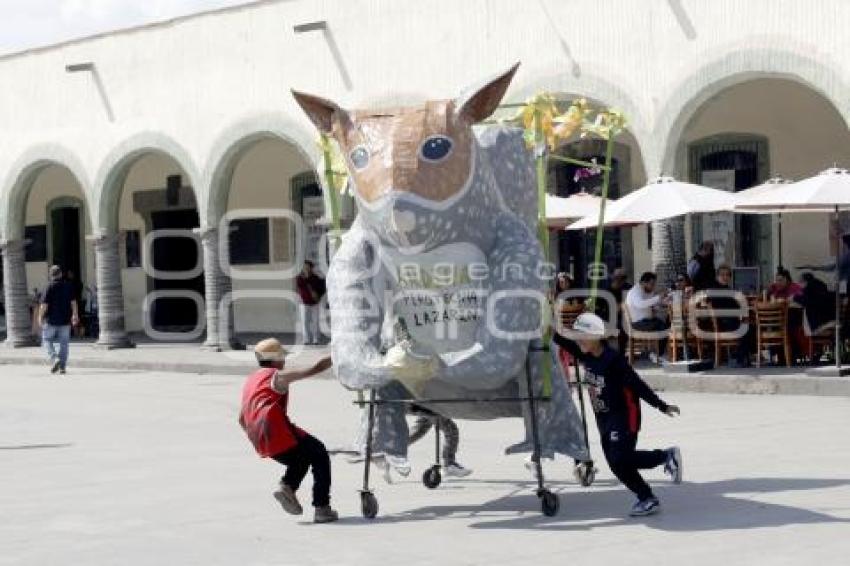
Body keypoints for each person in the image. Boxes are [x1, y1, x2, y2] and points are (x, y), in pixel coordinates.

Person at [553, 312, 682, 517]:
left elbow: (637, 384)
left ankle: (649, 492)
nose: (578, 340)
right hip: (603, 417)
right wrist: (544, 325)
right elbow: (559, 338)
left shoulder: (613, 360)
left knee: (620, 458)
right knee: (617, 463)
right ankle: (664, 461)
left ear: (596, 336)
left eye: (582, 335)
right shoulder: (585, 354)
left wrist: (661, 405)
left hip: (624, 415)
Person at [238, 338, 338, 523]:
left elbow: (241, 418)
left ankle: (287, 487)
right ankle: (322, 508)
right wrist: (339, 355)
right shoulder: (277, 376)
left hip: (260, 438)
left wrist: (259, 438)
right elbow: (314, 369)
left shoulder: (252, 379)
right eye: (282, 357)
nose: (284, 361)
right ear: (275, 359)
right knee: (319, 452)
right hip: (277, 431)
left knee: (302, 457)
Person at [703, 264, 751, 367]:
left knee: (751, 327)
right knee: (747, 328)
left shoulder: (727, 289)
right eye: (722, 275)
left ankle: (743, 357)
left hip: (729, 320)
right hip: (724, 323)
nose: (725, 277)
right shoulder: (715, 289)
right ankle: (739, 358)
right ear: (717, 276)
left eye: (727, 275)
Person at [407, 406, 472, 477]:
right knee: (450, 429)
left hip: (424, 404)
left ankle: (395, 451)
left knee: (419, 430)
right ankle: (449, 465)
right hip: (430, 405)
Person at [39, 265, 79, 374]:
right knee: (64, 343)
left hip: (51, 320)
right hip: (65, 320)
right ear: (61, 274)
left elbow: (44, 305)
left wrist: (40, 317)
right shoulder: (68, 286)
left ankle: (54, 358)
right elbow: (73, 302)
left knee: (46, 340)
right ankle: (62, 367)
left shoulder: (48, 287)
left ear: (51, 275)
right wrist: (75, 315)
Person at [625, 272, 670, 359]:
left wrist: (662, 303)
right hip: (638, 323)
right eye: (651, 284)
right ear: (643, 282)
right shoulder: (635, 292)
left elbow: (651, 305)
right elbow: (641, 304)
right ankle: (658, 354)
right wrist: (658, 298)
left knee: (665, 324)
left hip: (646, 321)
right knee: (664, 328)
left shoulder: (646, 291)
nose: (653, 287)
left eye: (654, 284)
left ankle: (658, 353)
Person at [295, 260, 326, 345]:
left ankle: (316, 339)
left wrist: (318, 296)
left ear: (311, 268)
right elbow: (299, 287)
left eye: (308, 266)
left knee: (315, 321)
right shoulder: (300, 278)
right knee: (304, 322)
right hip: (304, 303)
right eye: (305, 266)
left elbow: (322, 288)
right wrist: (306, 278)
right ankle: (306, 339)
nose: (306, 268)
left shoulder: (316, 278)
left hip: (314, 302)